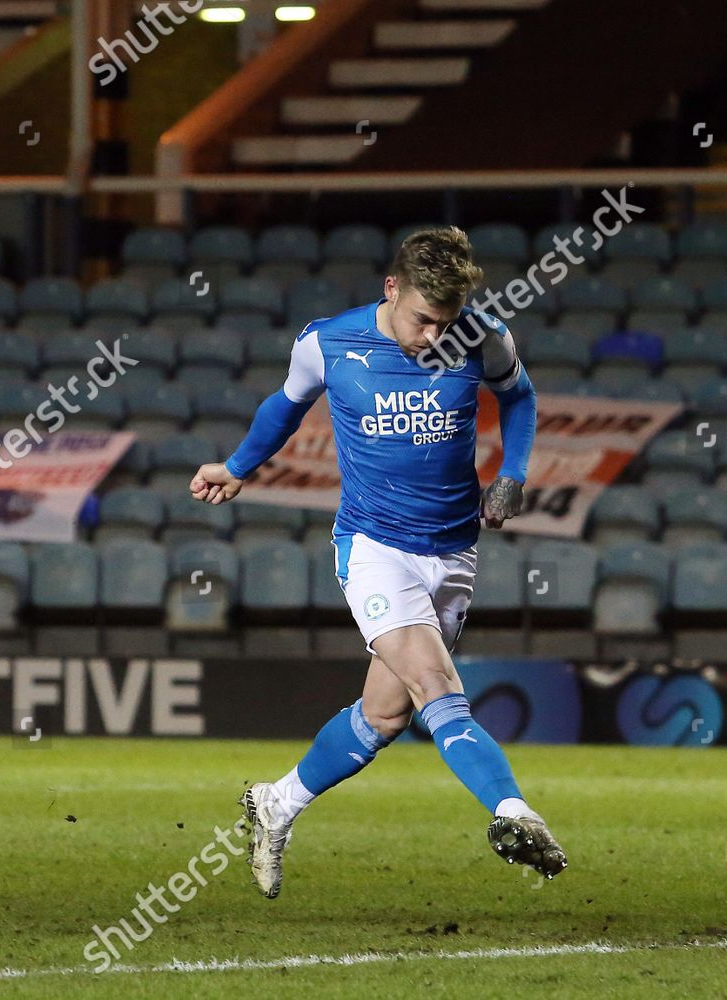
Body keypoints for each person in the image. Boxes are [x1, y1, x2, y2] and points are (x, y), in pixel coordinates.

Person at [189, 227, 565, 898]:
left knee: (386, 716)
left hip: (452, 553)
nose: (432, 336)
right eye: (423, 319)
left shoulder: (481, 337)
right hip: (374, 549)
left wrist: (513, 471)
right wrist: (238, 466)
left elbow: (520, 395)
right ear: (392, 289)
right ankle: (514, 811)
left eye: (445, 323)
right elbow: (285, 404)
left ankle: (277, 803)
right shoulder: (329, 342)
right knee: (436, 687)